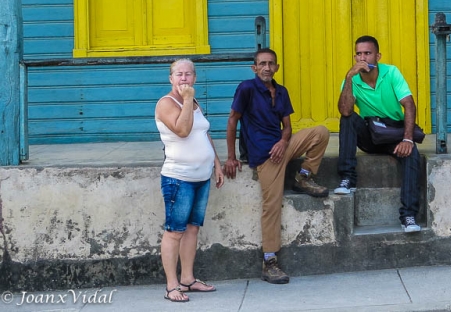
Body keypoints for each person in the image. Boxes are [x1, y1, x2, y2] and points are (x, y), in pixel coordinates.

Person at [223, 48, 330, 284]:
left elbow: (288, 127)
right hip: (265, 156)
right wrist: (231, 157)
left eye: (271, 64)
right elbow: (232, 120)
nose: (267, 68)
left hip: (282, 147)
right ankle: (269, 261)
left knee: (321, 132)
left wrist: (283, 141)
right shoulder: (246, 88)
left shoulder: (281, 92)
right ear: (254, 68)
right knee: (271, 205)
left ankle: (304, 176)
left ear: (277, 67)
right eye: (262, 64)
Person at [335, 35, 422, 233]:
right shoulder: (351, 79)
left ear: (378, 56)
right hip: (371, 133)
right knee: (347, 119)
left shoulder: (391, 73)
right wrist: (349, 77)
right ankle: (348, 178)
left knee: (412, 155)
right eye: (359, 54)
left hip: (393, 132)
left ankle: (408, 215)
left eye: (368, 53)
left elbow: (409, 104)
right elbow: (346, 110)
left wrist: (407, 139)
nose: (363, 58)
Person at [155, 59, 224, 303]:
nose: (184, 79)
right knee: (175, 231)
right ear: (171, 79)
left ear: (194, 78)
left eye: (188, 74)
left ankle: (188, 279)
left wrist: (216, 164)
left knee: (193, 228)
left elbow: (203, 134)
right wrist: (186, 100)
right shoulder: (167, 103)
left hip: (201, 177)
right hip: (178, 178)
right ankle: (171, 285)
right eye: (179, 74)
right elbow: (182, 130)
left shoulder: (194, 103)